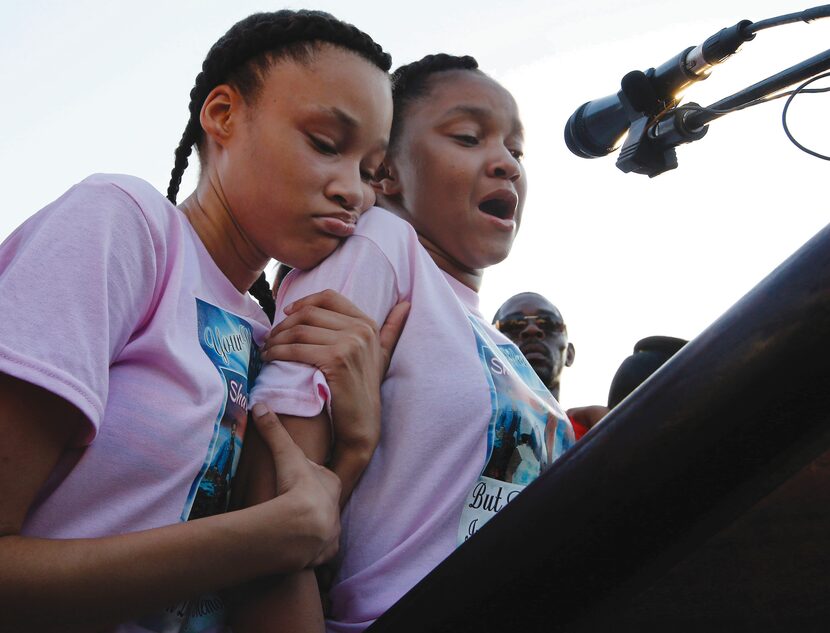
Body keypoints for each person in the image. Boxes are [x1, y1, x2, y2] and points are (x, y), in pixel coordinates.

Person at [0, 10, 406, 632]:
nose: (354, 191)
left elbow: (293, 541)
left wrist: (353, 448)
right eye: (327, 144)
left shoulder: (269, 334)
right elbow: (272, 537)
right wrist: (259, 536)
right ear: (223, 115)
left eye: (370, 172)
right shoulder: (126, 226)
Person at [246, 53, 575, 632]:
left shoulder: (503, 351)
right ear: (387, 173)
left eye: (516, 151)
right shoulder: (381, 247)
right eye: (469, 137)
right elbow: (269, 501)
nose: (505, 164)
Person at [492, 292, 575, 402]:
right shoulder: (465, 419)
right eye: (512, 325)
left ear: (569, 354)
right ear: (488, 353)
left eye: (548, 322)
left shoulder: (600, 418)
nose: (532, 329)